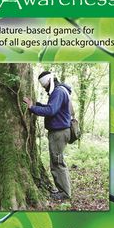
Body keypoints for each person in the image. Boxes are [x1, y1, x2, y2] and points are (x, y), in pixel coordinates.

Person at [23, 71, 72, 200]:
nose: (44, 88)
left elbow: (51, 111)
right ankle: (63, 190)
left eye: (45, 85)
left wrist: (32, 107)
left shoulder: (58, 92)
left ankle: (64, 193)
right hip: (60, 131)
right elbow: (52, 108)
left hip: (59, 133)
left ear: (49, 81)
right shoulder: (60, 91)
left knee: (57, 163)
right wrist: (37, 105)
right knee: (57, 162)